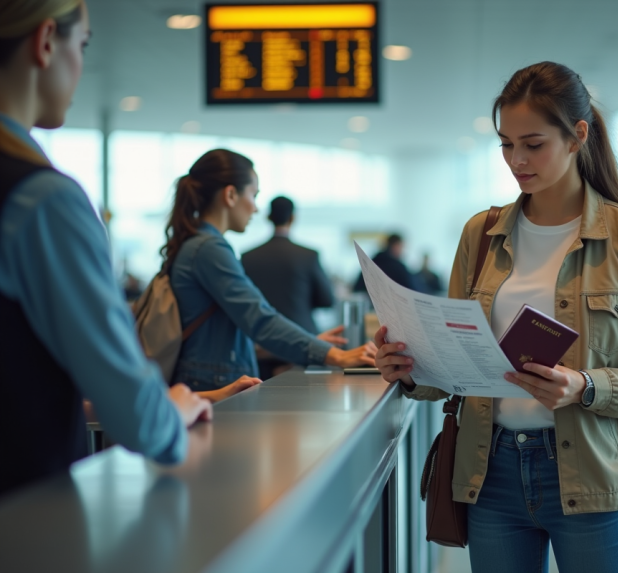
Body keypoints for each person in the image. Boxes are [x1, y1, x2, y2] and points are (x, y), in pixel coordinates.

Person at [374, 62, 618, 573]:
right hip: (491, 472)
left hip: (591, 473)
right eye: (506, 144)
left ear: (577, 135)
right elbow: (451, 368)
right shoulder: (481, 234)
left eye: (533, 144)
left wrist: (583, 385)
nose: (517, 159)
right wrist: (407, 367)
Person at [0, 0, 212, 498]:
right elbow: (141, 420)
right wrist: (174, 406)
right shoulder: (42, 200)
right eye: (84, 44)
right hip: (27, 525)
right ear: (46, 40)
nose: (81, 64)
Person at [164, 149, 377, 392]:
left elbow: (224, 334)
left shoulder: (200, 245)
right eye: (253, 195)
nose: (255, 208)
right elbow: (259, 319)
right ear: (231, 195)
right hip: (210, 381)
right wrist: (337, 356)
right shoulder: (209, 249)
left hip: (207, 377)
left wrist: (308, 344)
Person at [242, 196, 334, 334]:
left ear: (268, 217)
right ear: (292, 218)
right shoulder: (308, 255)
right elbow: (327, 300)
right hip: (303, 336)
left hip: (261, 338)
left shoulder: (247, 257)